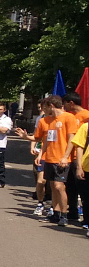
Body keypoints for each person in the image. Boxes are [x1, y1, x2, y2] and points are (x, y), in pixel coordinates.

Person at [32, 96, 78, 226]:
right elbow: (47, 140)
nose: (44, 110)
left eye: (45, 107)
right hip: (49, 158)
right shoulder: (49, 120)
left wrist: (65, 156)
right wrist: (41, 154)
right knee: (52, 186)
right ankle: (56, 213)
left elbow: (72, 139)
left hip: (61, 158)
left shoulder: (68, 117)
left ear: (51, 106)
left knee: (59, 186)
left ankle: (64, 214)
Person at [60, 92, 89, 223]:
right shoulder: (70, 116)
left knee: (82, 187)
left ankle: (85, 215)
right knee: (70, 185)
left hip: (81, 157)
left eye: (65, 104)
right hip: (70, 156)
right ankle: (73, 211)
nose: (64, 107)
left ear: (71, 103)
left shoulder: (86, 116)